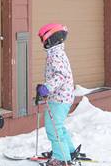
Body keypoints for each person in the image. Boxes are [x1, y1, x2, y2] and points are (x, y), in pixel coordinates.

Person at [36, 23, 76, 166]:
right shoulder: (57, 52)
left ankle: (61, 158)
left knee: (53, 128)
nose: (43, 42)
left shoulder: (55, 55)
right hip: (62, 97)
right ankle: (68, 151)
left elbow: (60, 76)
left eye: (43, 39)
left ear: (51, 38)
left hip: (59, 99)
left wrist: (46, 88)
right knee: (58, 126)